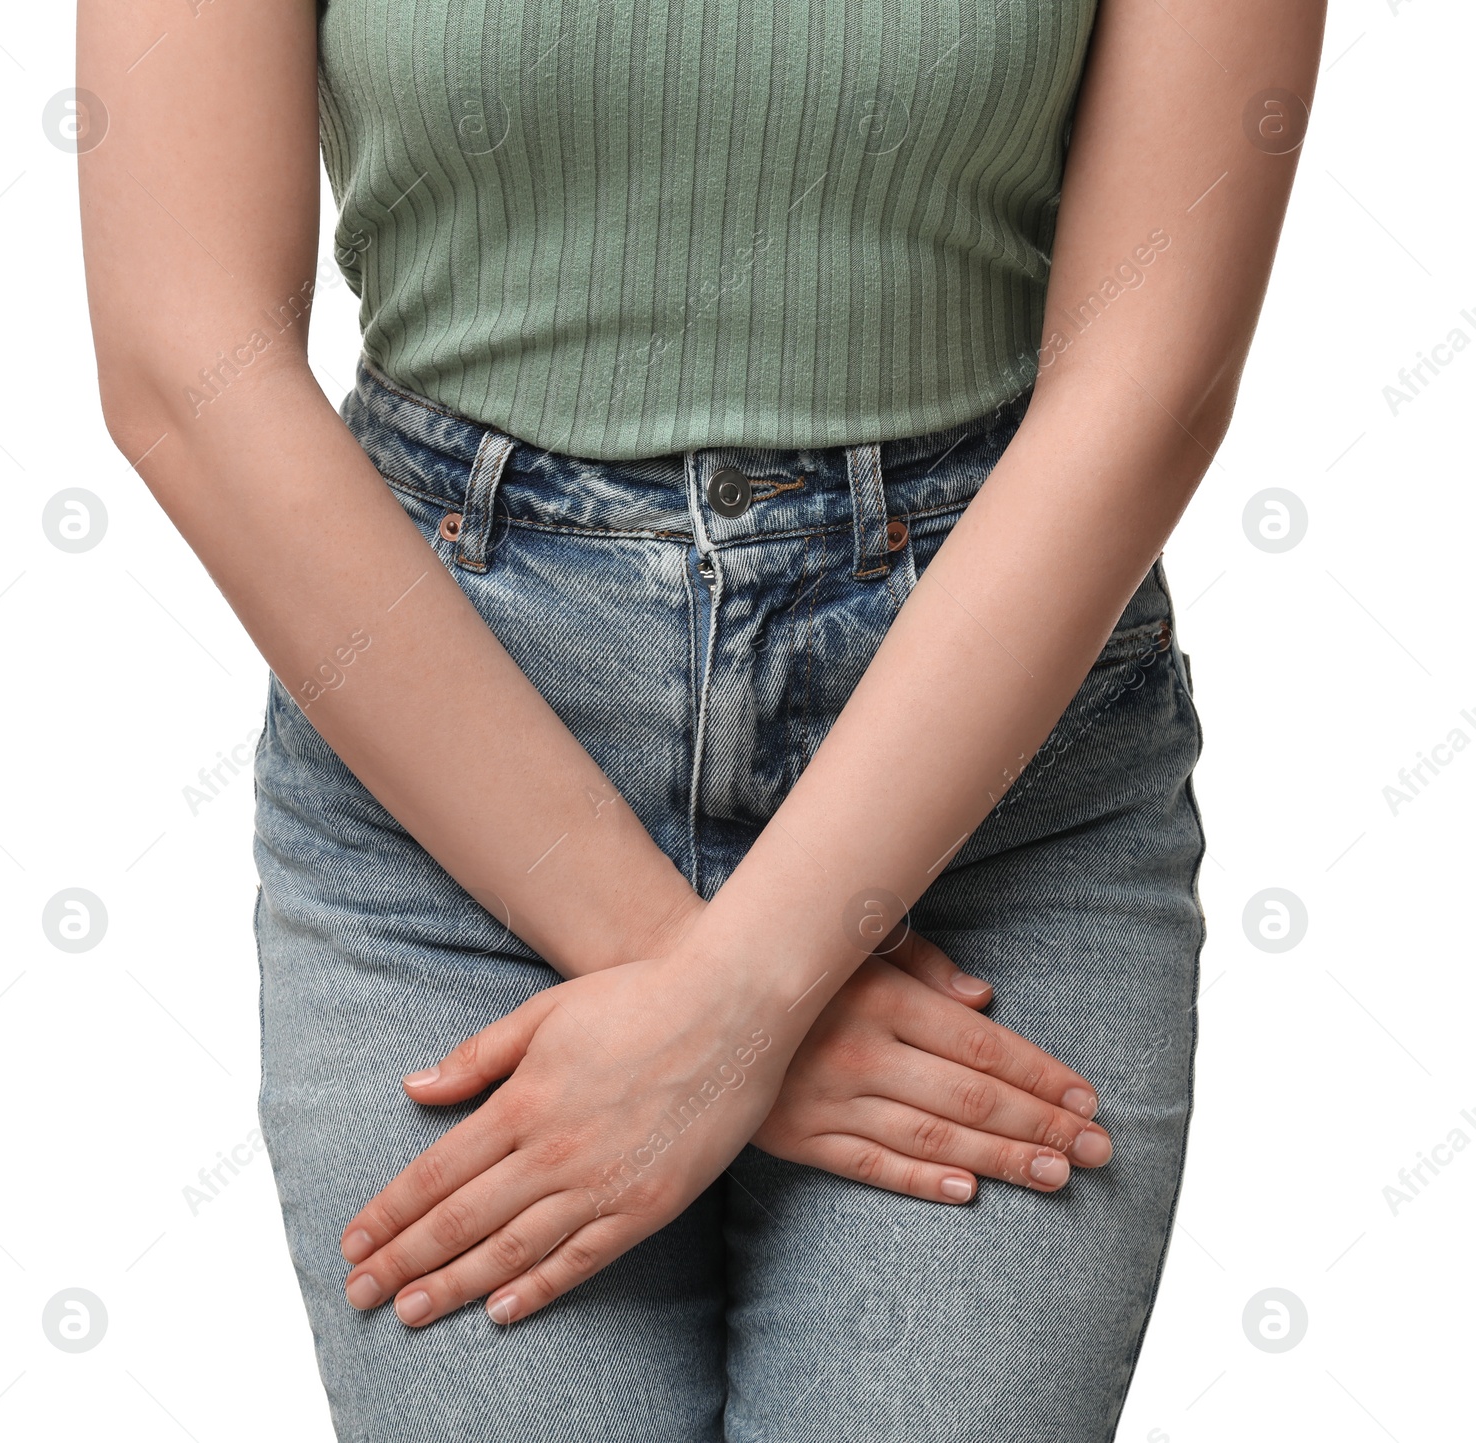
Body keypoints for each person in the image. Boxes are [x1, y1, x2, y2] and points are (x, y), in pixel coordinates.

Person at [77, 0, 1325, 1437]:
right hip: (447, 761)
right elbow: (184, 355)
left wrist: (737, 1007)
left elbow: (1150, 379)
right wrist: (722, 1002)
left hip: (983, 779)